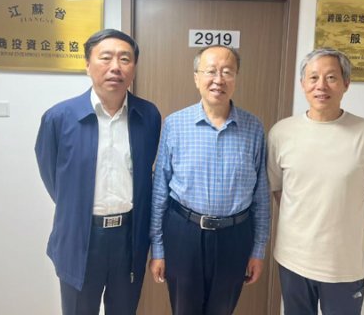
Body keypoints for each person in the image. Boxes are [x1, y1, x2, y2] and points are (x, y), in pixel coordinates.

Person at [35, 29, 161, 315]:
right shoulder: (59, 117)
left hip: (129, 238)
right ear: (87, 65)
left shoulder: (148, 116)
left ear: (134, 68)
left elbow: (147, 172)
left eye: (125, 59)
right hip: (80, 237)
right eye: (106, 57)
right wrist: (78, 207)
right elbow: (53, 178)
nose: (116, 66)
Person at [267, 48, 364, 315]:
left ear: (346, 83)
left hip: (342, 265)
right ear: (302, 83)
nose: (321, 86)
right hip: (292, 258)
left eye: (331, 77)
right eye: (313, 77)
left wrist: (345, 229)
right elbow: (278, 189)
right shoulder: (281, 133)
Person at [149, 45, 270, 315]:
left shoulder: (254, 127)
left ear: (236, 78)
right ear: (196, 77)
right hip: (183, 234)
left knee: (222, 310)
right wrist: (157, 248)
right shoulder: (175, 124)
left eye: (227, 72)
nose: (219, 79)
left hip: (235, 236)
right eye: (210, 71)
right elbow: (159, 191)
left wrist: (258, 250)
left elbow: (261, 195)